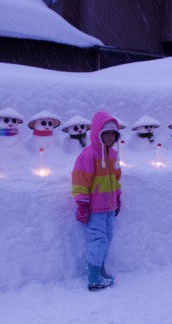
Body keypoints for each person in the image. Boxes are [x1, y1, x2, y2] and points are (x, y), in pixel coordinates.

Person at [71, 111, 122, 291]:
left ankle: (100, 268)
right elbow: (80, 180)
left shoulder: (113, 155)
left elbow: (115, 179)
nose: (109, 137)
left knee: (107, 237)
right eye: (105, 133)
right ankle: (93, 276)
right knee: (98, 238)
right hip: (94, 207)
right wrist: (82, 203)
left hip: (109, 206)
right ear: (97, 133)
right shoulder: (88, 155)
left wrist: (117, 197)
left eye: (112, 134)